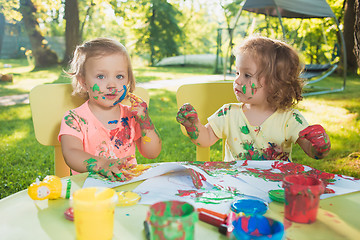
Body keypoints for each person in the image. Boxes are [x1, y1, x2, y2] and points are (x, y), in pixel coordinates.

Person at [176, 36, 330, 161]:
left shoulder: (290, 119)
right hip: (236, 189)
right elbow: (205, 139)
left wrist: (320, 145)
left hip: (273, 190)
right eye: (237, 73)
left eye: (247, 75)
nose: (237, 80)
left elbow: (313, 152)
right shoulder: (228, 113)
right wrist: (194, 125)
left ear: (273, 83)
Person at [58, 37, 161, 181]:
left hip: (128, 184)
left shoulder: (130, 116)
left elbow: (152, 153)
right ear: (84, 82)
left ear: (128, 80)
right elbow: (71, 153)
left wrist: (146, 123)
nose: (112, 84)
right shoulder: (74, 119)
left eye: (119, 76)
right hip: (91, 189)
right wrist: (102, 164)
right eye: (101, 76)